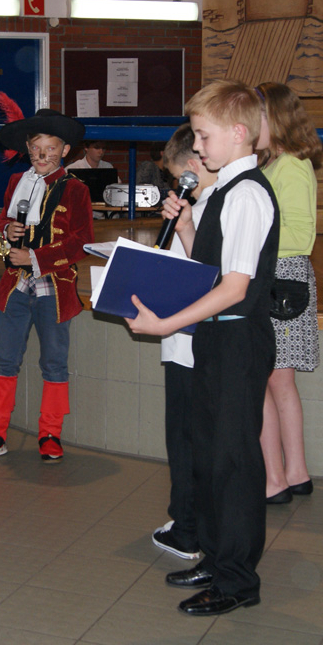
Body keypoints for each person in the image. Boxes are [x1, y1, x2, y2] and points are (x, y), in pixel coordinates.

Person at [127, 80, 278, 617]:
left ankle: (238, 579)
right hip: (217, 335)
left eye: (203, 135)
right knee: (212, 457)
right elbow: (210, 271)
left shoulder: (248, 195)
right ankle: (216, 558)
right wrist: (188, 226)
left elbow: (235, 289)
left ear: (238, 133)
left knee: (233, 463)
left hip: (237, 338)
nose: (197, 146)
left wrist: (165, 324)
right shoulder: (222, 193)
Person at [0, 109, 94, 462]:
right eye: (36, 148)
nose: (42, 155)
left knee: (54, 362)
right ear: (27, 149)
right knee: (5, 359)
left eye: (50, 148)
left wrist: (36, 257)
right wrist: (5, 230)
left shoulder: (76, 189)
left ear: (64, 150)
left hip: (54, 288)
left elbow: (82, 242)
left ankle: (50, 433)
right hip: (15, 286)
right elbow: (2, 224)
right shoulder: (16, 182)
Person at [254, 82, 323, 505]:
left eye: (257, 117)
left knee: (271, 380)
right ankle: (293, 473)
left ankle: (278, 477)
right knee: (279, 382)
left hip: (282, 276)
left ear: (276, 119)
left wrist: (247, 240)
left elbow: (300, 235)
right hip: (277, 275)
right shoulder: (275, 164)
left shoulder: (292, 166)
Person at [149, 124, 214, 561]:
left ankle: (187, 527)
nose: (176, 185)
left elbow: (208, 275)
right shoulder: (203, 206)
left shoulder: (211, 206)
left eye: (176, 177)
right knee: (193, 436)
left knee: (185, 437)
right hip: (187, 337)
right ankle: (193, 520)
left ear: (192, 166)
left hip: (190, 339)